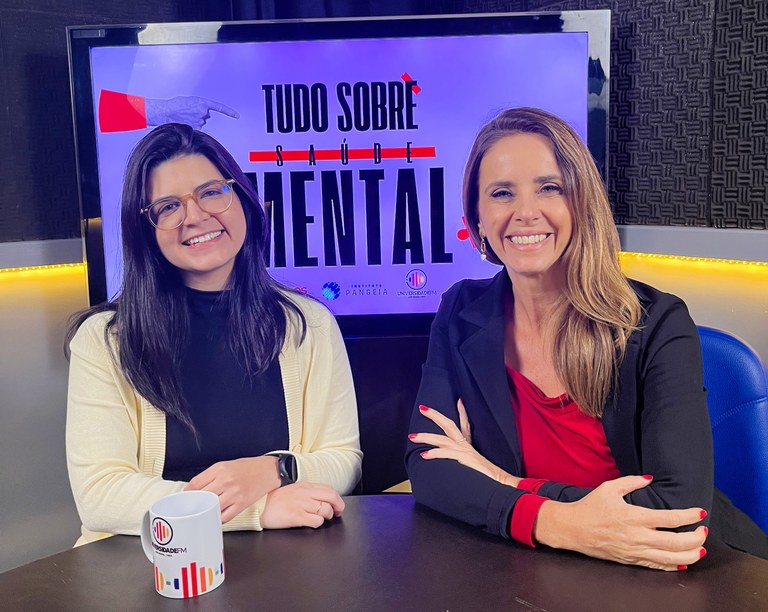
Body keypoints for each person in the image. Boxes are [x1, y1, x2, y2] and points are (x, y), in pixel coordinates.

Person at [406, 107, 715, 571]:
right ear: (478, 219)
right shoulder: (460, 310)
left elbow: (677, 512)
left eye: (549, 187)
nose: (525, 213)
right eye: (502, 193)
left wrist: (503, 481)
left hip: (647, 576)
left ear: (581, 201)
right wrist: (554, 523)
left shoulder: (657, 324)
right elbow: (427, 465)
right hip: (519, 573)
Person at [66, 123, 361, 545]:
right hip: (144, 562)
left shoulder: (308, 324)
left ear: (242, 198)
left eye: (211, 192)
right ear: (146, 230)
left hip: (286, 561)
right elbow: (100, 496)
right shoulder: (104, 340)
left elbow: (344, 460)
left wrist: (273, 470)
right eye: (168, 206)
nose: (195, 216)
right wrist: (256, 511)